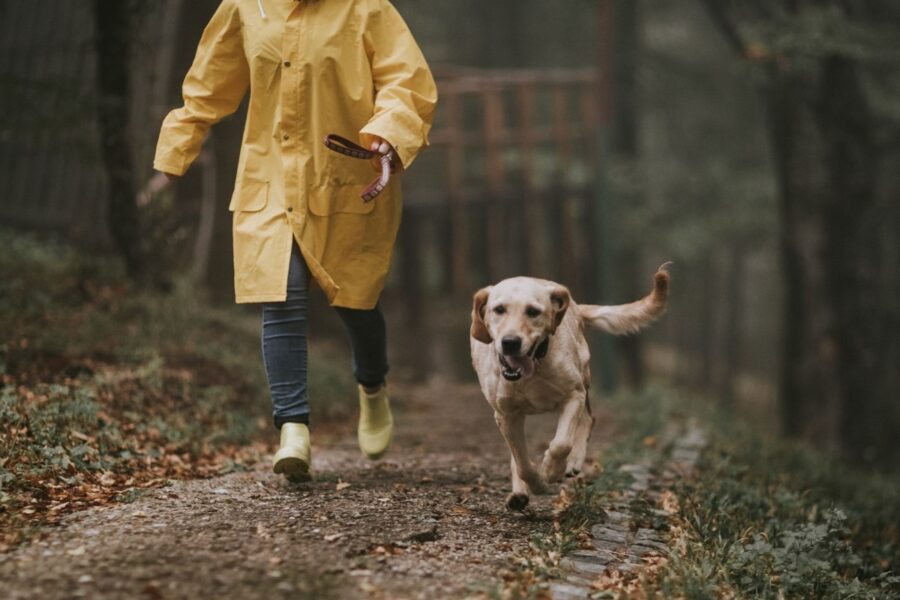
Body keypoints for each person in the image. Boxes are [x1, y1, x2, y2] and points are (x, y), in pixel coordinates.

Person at [153, 0, 437, 482]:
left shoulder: (366, 9)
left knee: (356, 302)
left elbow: (406, 81)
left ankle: (372, 386)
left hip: (345, 178)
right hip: (271, 179)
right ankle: (293, 429)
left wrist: (390, 131)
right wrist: (172, 159)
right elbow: (206, 89)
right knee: (280, 295)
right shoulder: (245, 8)